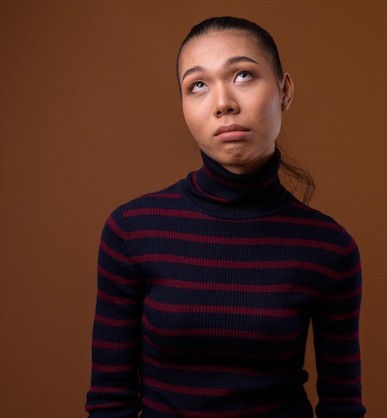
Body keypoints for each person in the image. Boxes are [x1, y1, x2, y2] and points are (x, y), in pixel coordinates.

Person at [85, 16, 365, 418]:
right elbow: (110, 402)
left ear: (284, 90)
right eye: (197, 85)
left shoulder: (330, 248)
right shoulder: (132, 230)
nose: (223, 103)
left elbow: (343, 407)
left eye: (243, 75)